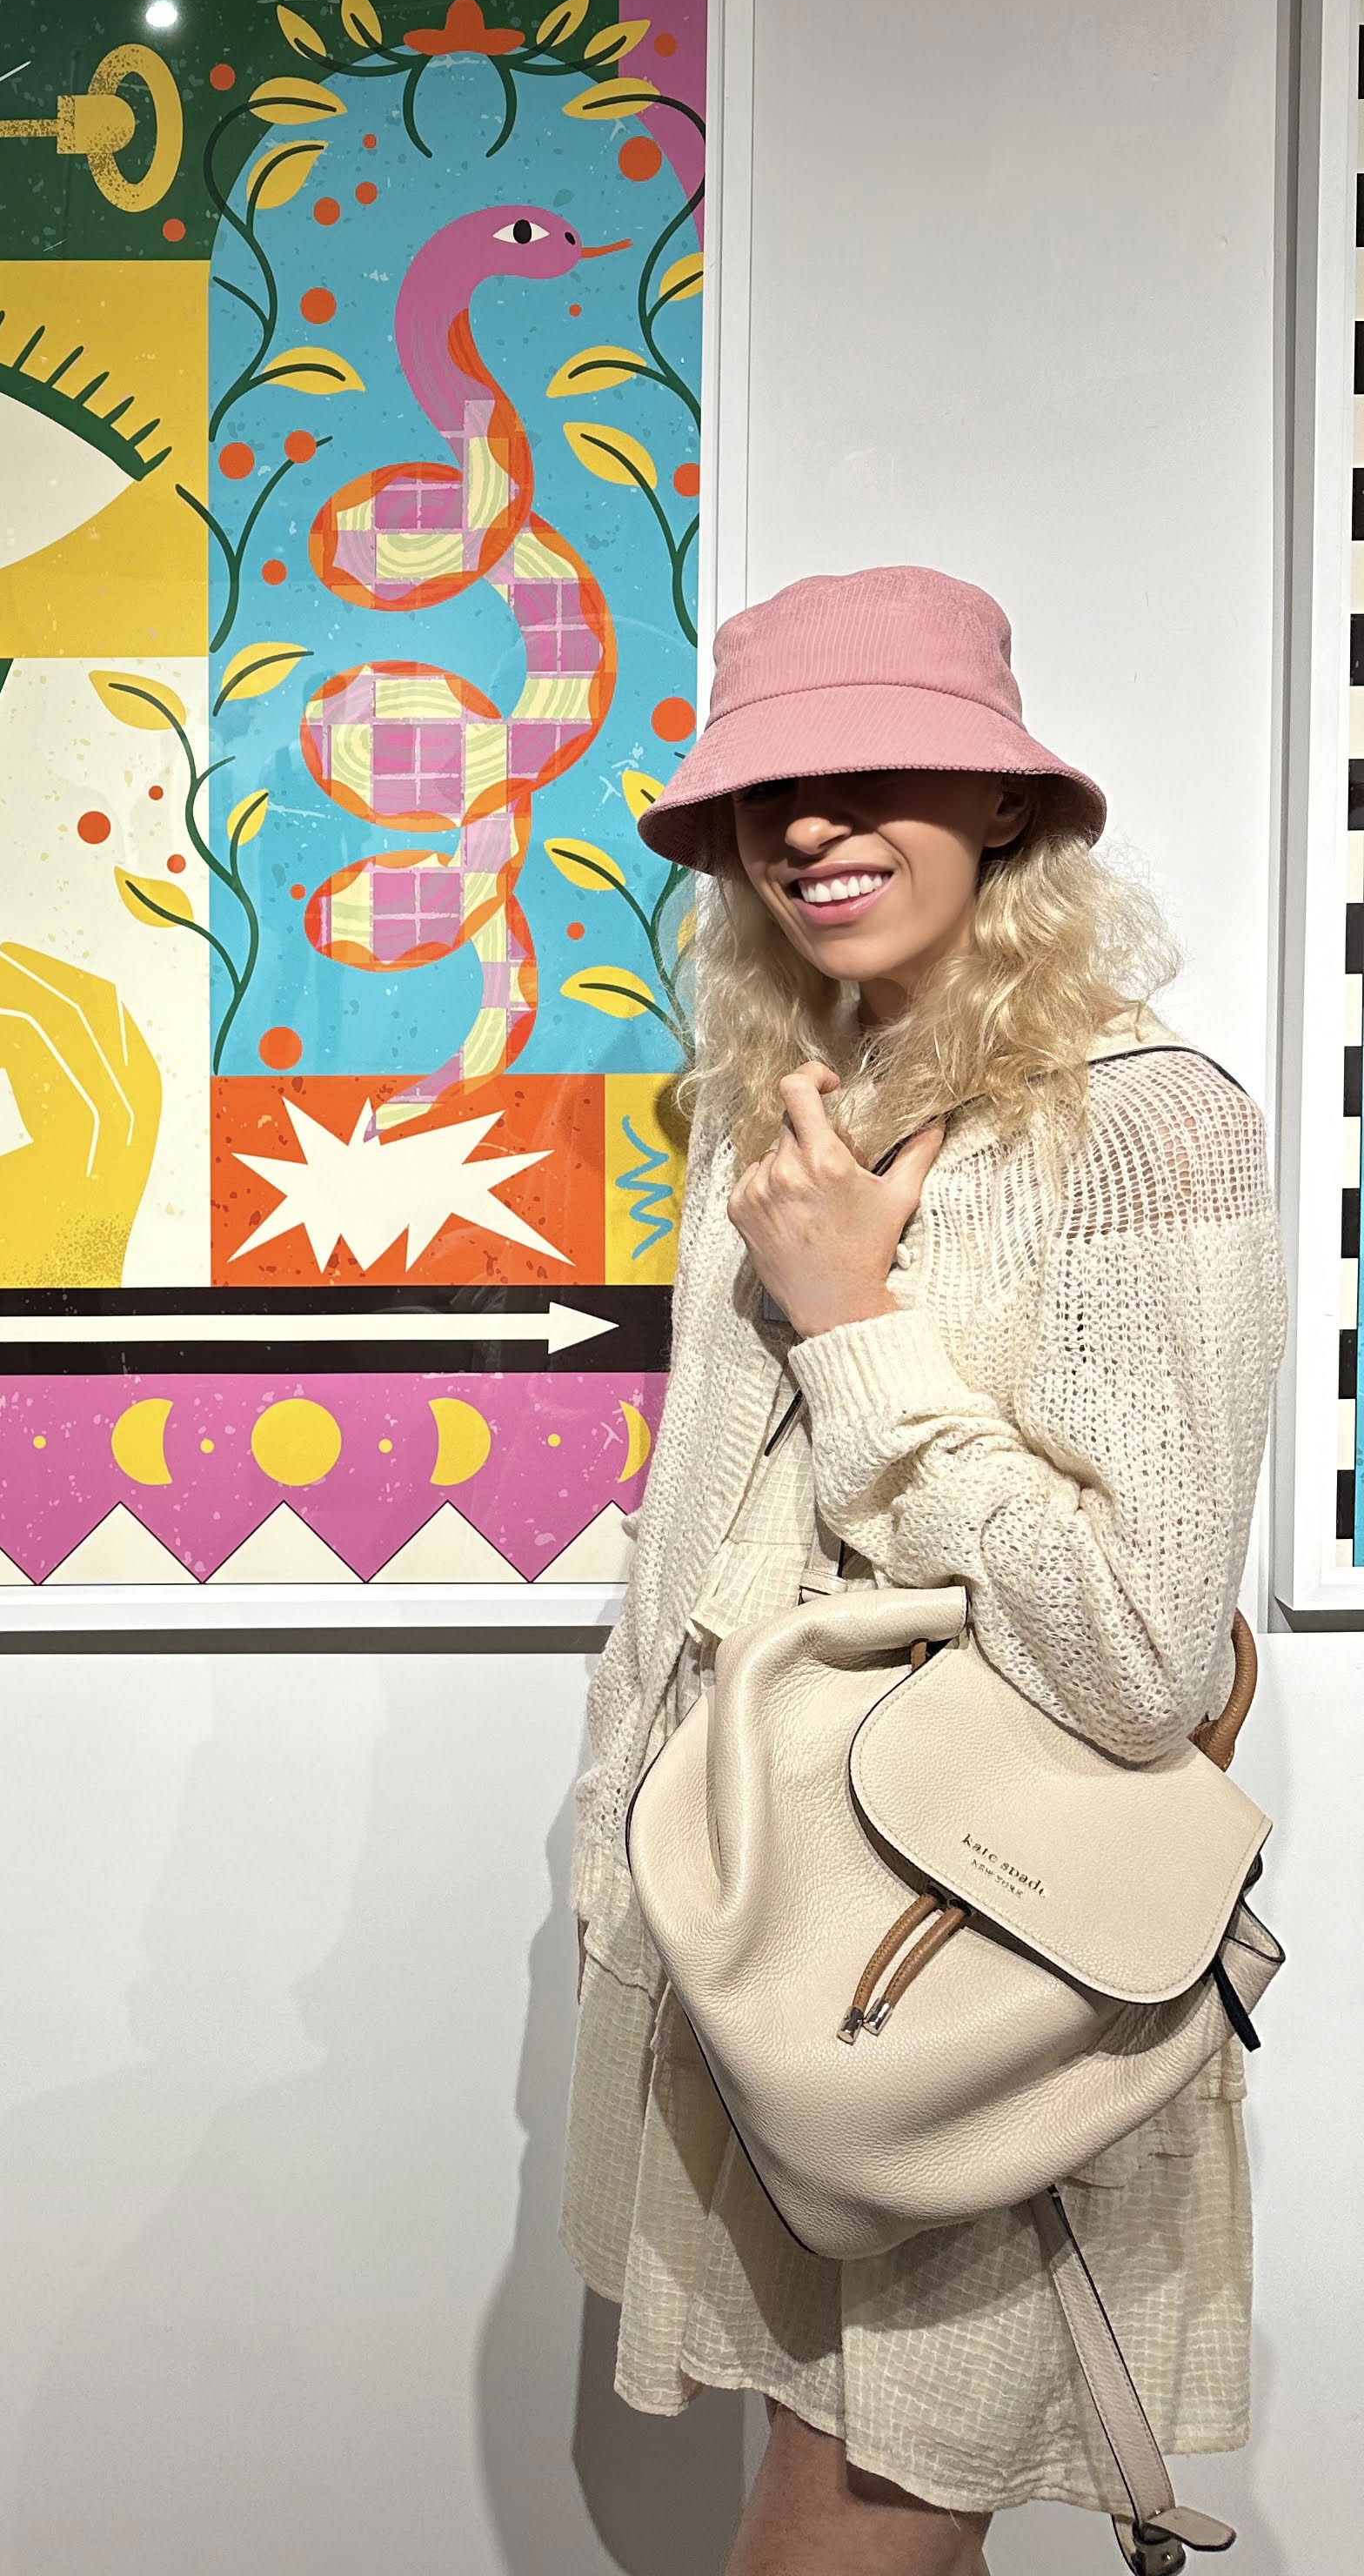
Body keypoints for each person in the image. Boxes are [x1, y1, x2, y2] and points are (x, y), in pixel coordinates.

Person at [563, 567, 1280, 2575]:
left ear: (1006, 806)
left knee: (847, 2531)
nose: (805, 824)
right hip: (748, 1934)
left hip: (958, 1959)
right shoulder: (781, 1120)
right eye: (762, 793)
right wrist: (616, 1863)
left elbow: (1135, 1660)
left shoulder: (1141, 1130)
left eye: (875, 770)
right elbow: (696, 1539)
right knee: (834, 2506)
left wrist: (857, 1329)